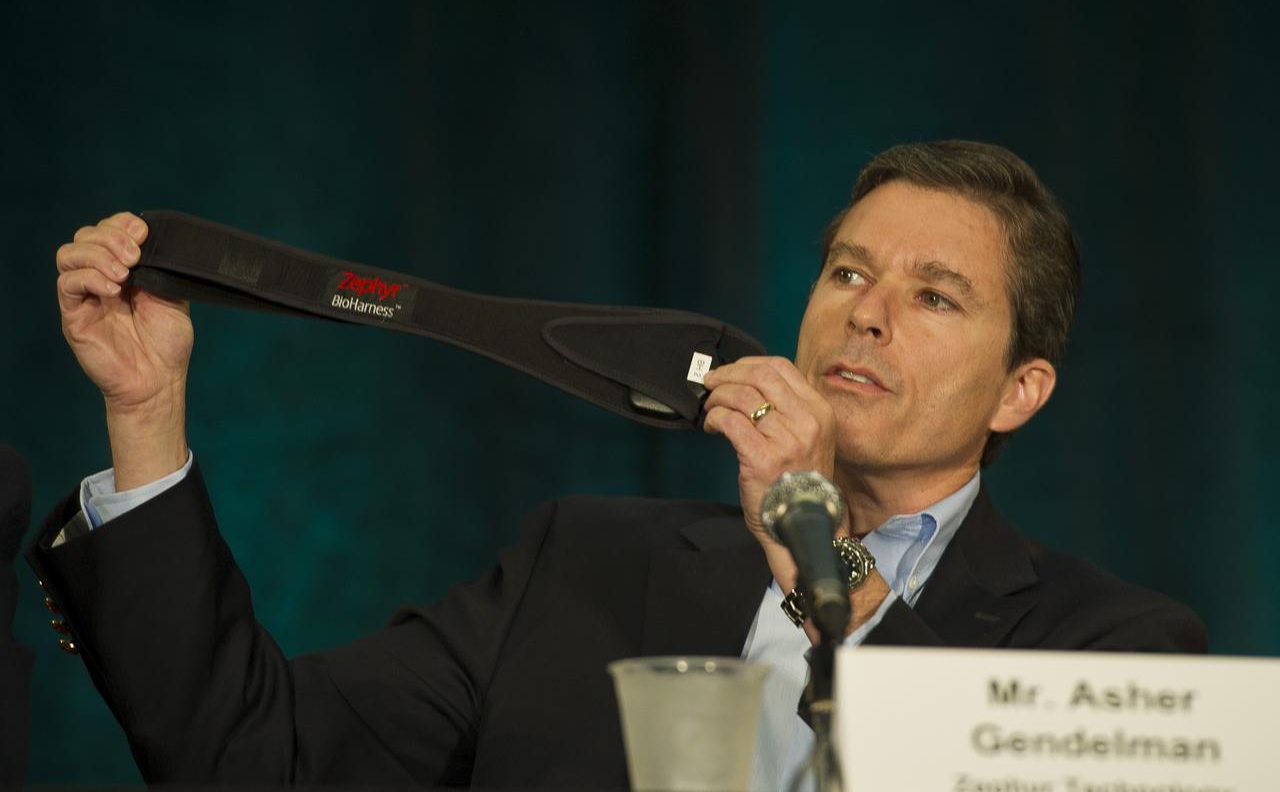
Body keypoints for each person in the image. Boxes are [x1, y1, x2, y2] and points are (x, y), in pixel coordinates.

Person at [29, 141, 1205, 788]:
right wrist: (146, 411)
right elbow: (250, 761)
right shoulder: (574, 561)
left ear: (1019, 389)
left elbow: (948, 765)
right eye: (847, 273)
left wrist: (814, 550)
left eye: (932, 295)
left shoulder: (1121, 654)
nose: (866, 315)